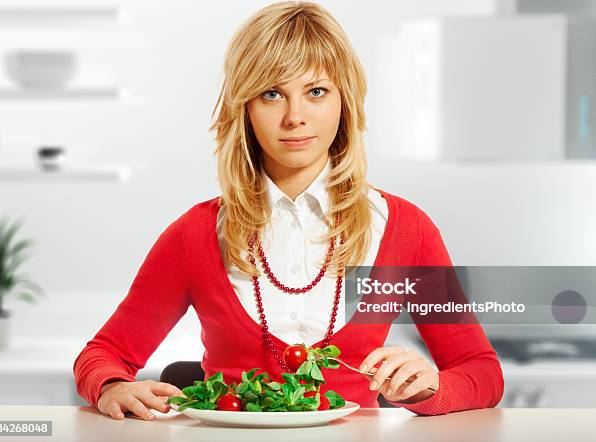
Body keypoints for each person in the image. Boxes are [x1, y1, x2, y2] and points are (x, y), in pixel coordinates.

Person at [73, 1, 504, 421]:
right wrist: (112, 386)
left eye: (316, 91)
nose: (295, 116)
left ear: (344, 102)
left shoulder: (406, 229)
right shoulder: (195, 235)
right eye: (272, 94)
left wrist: (432, 387)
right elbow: (103, 355)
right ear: (245, 108)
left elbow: (481, 371)